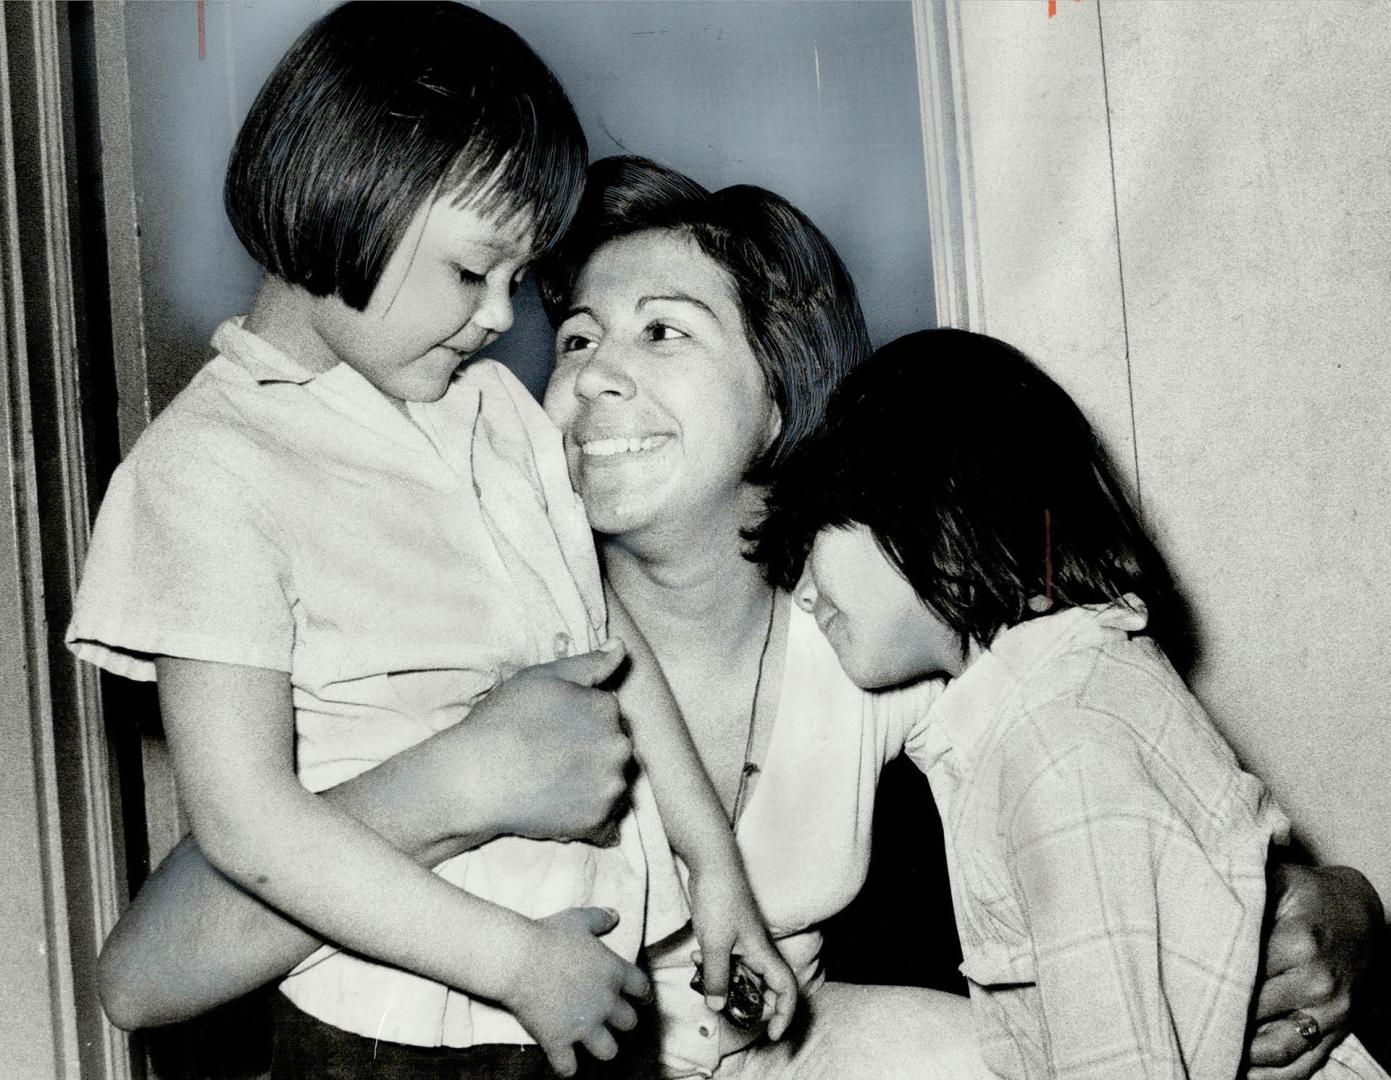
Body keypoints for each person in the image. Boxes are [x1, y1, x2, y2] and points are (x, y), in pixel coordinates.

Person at [95, 158, 1384, 1079]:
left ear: (781, 396)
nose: (591, 372)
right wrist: (455, 780)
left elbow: (1154, 783)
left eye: (662, 332)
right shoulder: (494, 626)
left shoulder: (878, 631)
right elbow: (139, 979)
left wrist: (1335, 914)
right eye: (577, 336)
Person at [66, 12, 793, 1079]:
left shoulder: (494, 411)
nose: (502, 315)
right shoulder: (205, 473)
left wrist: (713, 863)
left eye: (517, 277)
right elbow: (246, 826)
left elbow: (606, 642)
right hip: (389, 1032)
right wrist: (514, 965)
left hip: (581, 996)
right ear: (351, 195)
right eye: (471, 272)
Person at [750, 327, 1389, 1079]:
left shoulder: (1055, 748)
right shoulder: (1059, 692)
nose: (803, 592)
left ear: (946, 513)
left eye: (823, 523)